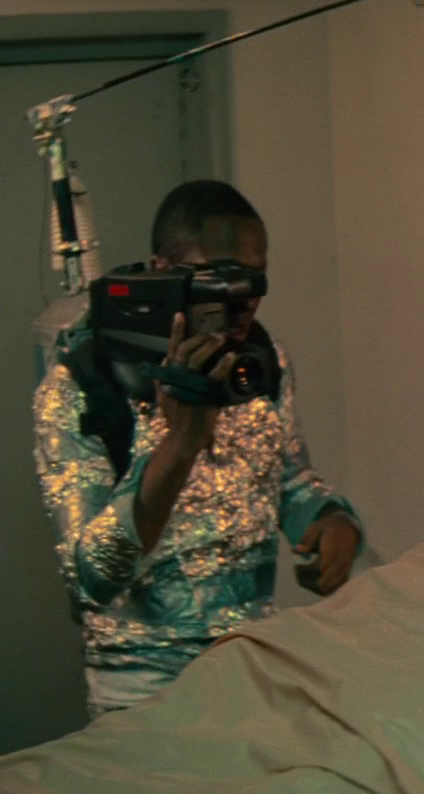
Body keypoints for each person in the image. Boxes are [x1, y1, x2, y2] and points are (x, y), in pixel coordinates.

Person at [32, 180, 363, 718]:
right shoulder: (85, 385)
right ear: (162, 271)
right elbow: (91, 578)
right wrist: (179, 443)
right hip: (143, 689)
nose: (243, 298)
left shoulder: (260, 359)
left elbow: (288, 476)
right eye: (222, 278)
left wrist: (331, 522)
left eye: (255, 278)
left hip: (251, 664)